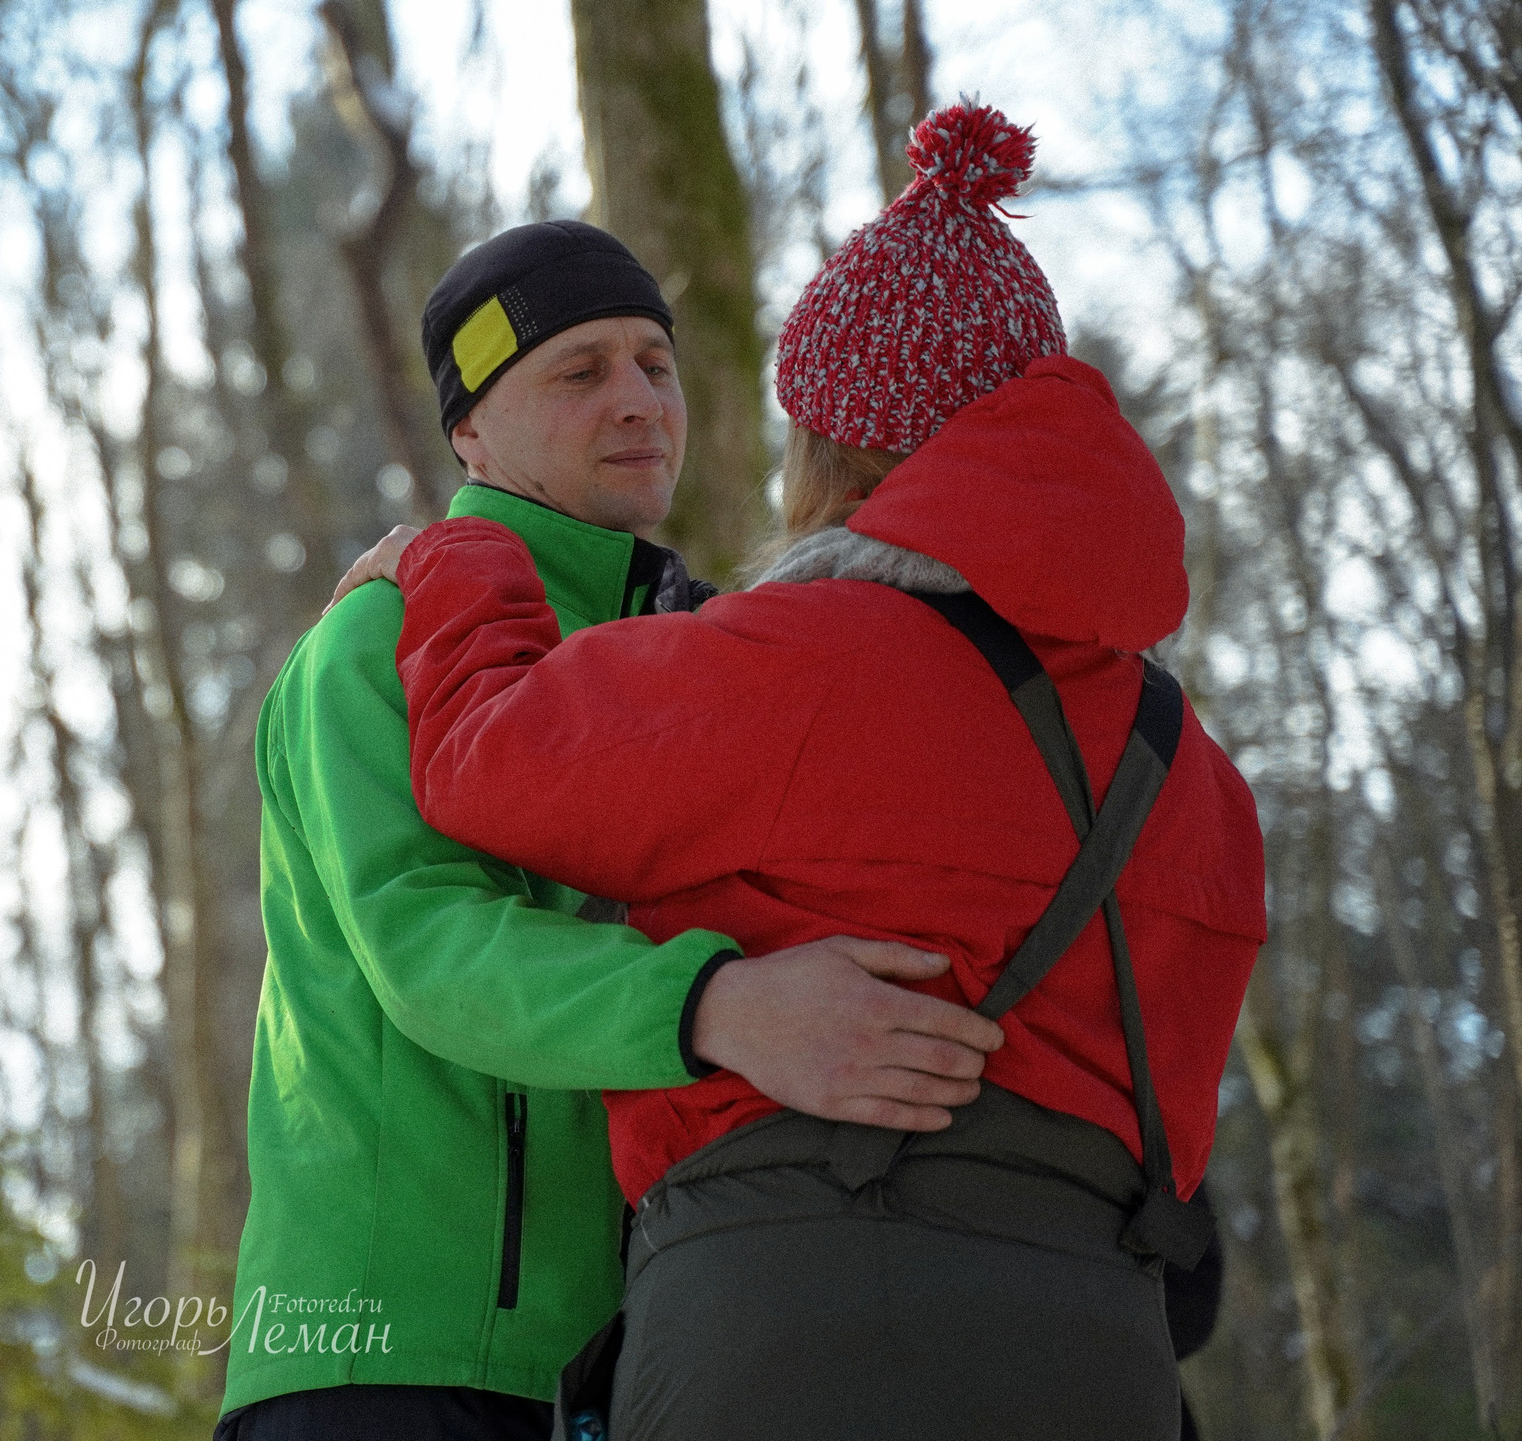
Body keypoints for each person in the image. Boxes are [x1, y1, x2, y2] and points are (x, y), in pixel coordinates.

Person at [352, 102, 1266, 1439]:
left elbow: (491, 760)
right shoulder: (1192, 769)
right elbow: (1174, 1135)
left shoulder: (809, 658)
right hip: (1101, 1347)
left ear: (836, 446)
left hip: (790, 1314)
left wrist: (459, 558)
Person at [218, 219, 1009, 1441]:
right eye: (578, 371)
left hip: (630, 1360)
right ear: (469, 429)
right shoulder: (370, 647)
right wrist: (722, 1007)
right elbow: (426, 947)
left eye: (655, 362)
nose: (639, 400)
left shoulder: (697, 656)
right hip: (382, 1355)